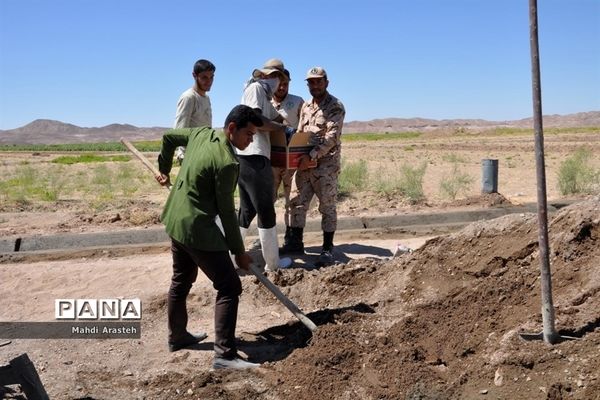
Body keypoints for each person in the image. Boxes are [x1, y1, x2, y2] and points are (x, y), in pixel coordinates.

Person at [156, 104, 262, 370]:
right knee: (229, 286)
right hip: (196, 227)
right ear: (232, 129)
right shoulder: (227, 163)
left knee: (181, 279)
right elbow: (227, 212)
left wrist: (164, 168)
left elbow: (168, 138)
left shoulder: (201, 134)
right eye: (249, 134)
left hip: (175, 220)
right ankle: (225, 356)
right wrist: (239, 252)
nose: (251, 140)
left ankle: (177, 336)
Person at [283, 67, 346, 267]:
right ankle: (295, 243)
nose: (315, 85)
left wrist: (311, 156)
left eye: (318, 81)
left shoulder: (335, 106)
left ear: (326, 82)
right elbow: (301, 133)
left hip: (325, 167)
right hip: (304, 166)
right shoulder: (306, 106)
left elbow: (331, 138)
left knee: (327, 206)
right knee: (297, 203)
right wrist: (296, 158)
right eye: (311, 82)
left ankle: (327, 249)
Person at [237, 59, 294, 271]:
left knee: (246, 210)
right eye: (276, 78)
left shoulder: (263, 94)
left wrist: (289, 126)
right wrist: (281, 128)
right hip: (254, 156)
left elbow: (275, 116)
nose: (278, 83)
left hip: (248, 157)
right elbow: (257, 120)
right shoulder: (255, 89)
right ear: (267, 76)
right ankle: (273, 263)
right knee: (266, 210)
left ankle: (230, 255)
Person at [271, 69, 304, 249]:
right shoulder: (264, 101)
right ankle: (267, 238)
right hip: (271, 160)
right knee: (268, 199)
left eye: (286, 84)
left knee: (294, 200)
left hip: (292, 160)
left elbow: (306, 126)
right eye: (279, 83)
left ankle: (293, 239)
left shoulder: (298, 102)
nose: (282, 87)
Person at [173, 59, 216, 162]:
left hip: (203, 154)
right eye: (204, 77)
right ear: (194, 75)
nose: (209, 81)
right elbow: (179, 131)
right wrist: (184, 157)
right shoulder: (189, 97)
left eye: (211, 77)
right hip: (190, 157)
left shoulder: (206, 98)